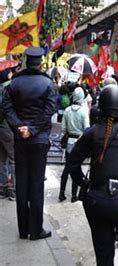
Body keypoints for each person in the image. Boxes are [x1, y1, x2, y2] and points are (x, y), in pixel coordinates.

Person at [68, 84, 118, 266]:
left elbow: (72, 162)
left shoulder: (91, 133)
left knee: (103, 252)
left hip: (96, 200)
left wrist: (84, 183)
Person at [2, 47, 56, 240]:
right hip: (39, 140)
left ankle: (23, 229)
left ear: (26, 62)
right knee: (36, 184)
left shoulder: (14, 83)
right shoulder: (47, 84)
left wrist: (20, 128)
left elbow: (7, 109)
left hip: (20, 140)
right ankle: (36, 229)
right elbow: (48, 111)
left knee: (22, 183)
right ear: (40, 63)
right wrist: (32, 129)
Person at [59, 87, 90, 202]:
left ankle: (61, 193)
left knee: (67, 168)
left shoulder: (67, 111)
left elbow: (63, 128)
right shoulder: (83, 112)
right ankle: (73, 195)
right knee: (76, 168)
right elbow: (87, 129)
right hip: (79, 143)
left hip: (68, 143)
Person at [0, 68, 15, 201]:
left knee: (1, 160)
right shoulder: (10, 88)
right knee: (13, 159)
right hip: (7, 126)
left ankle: (2, 188)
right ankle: (13, 190)